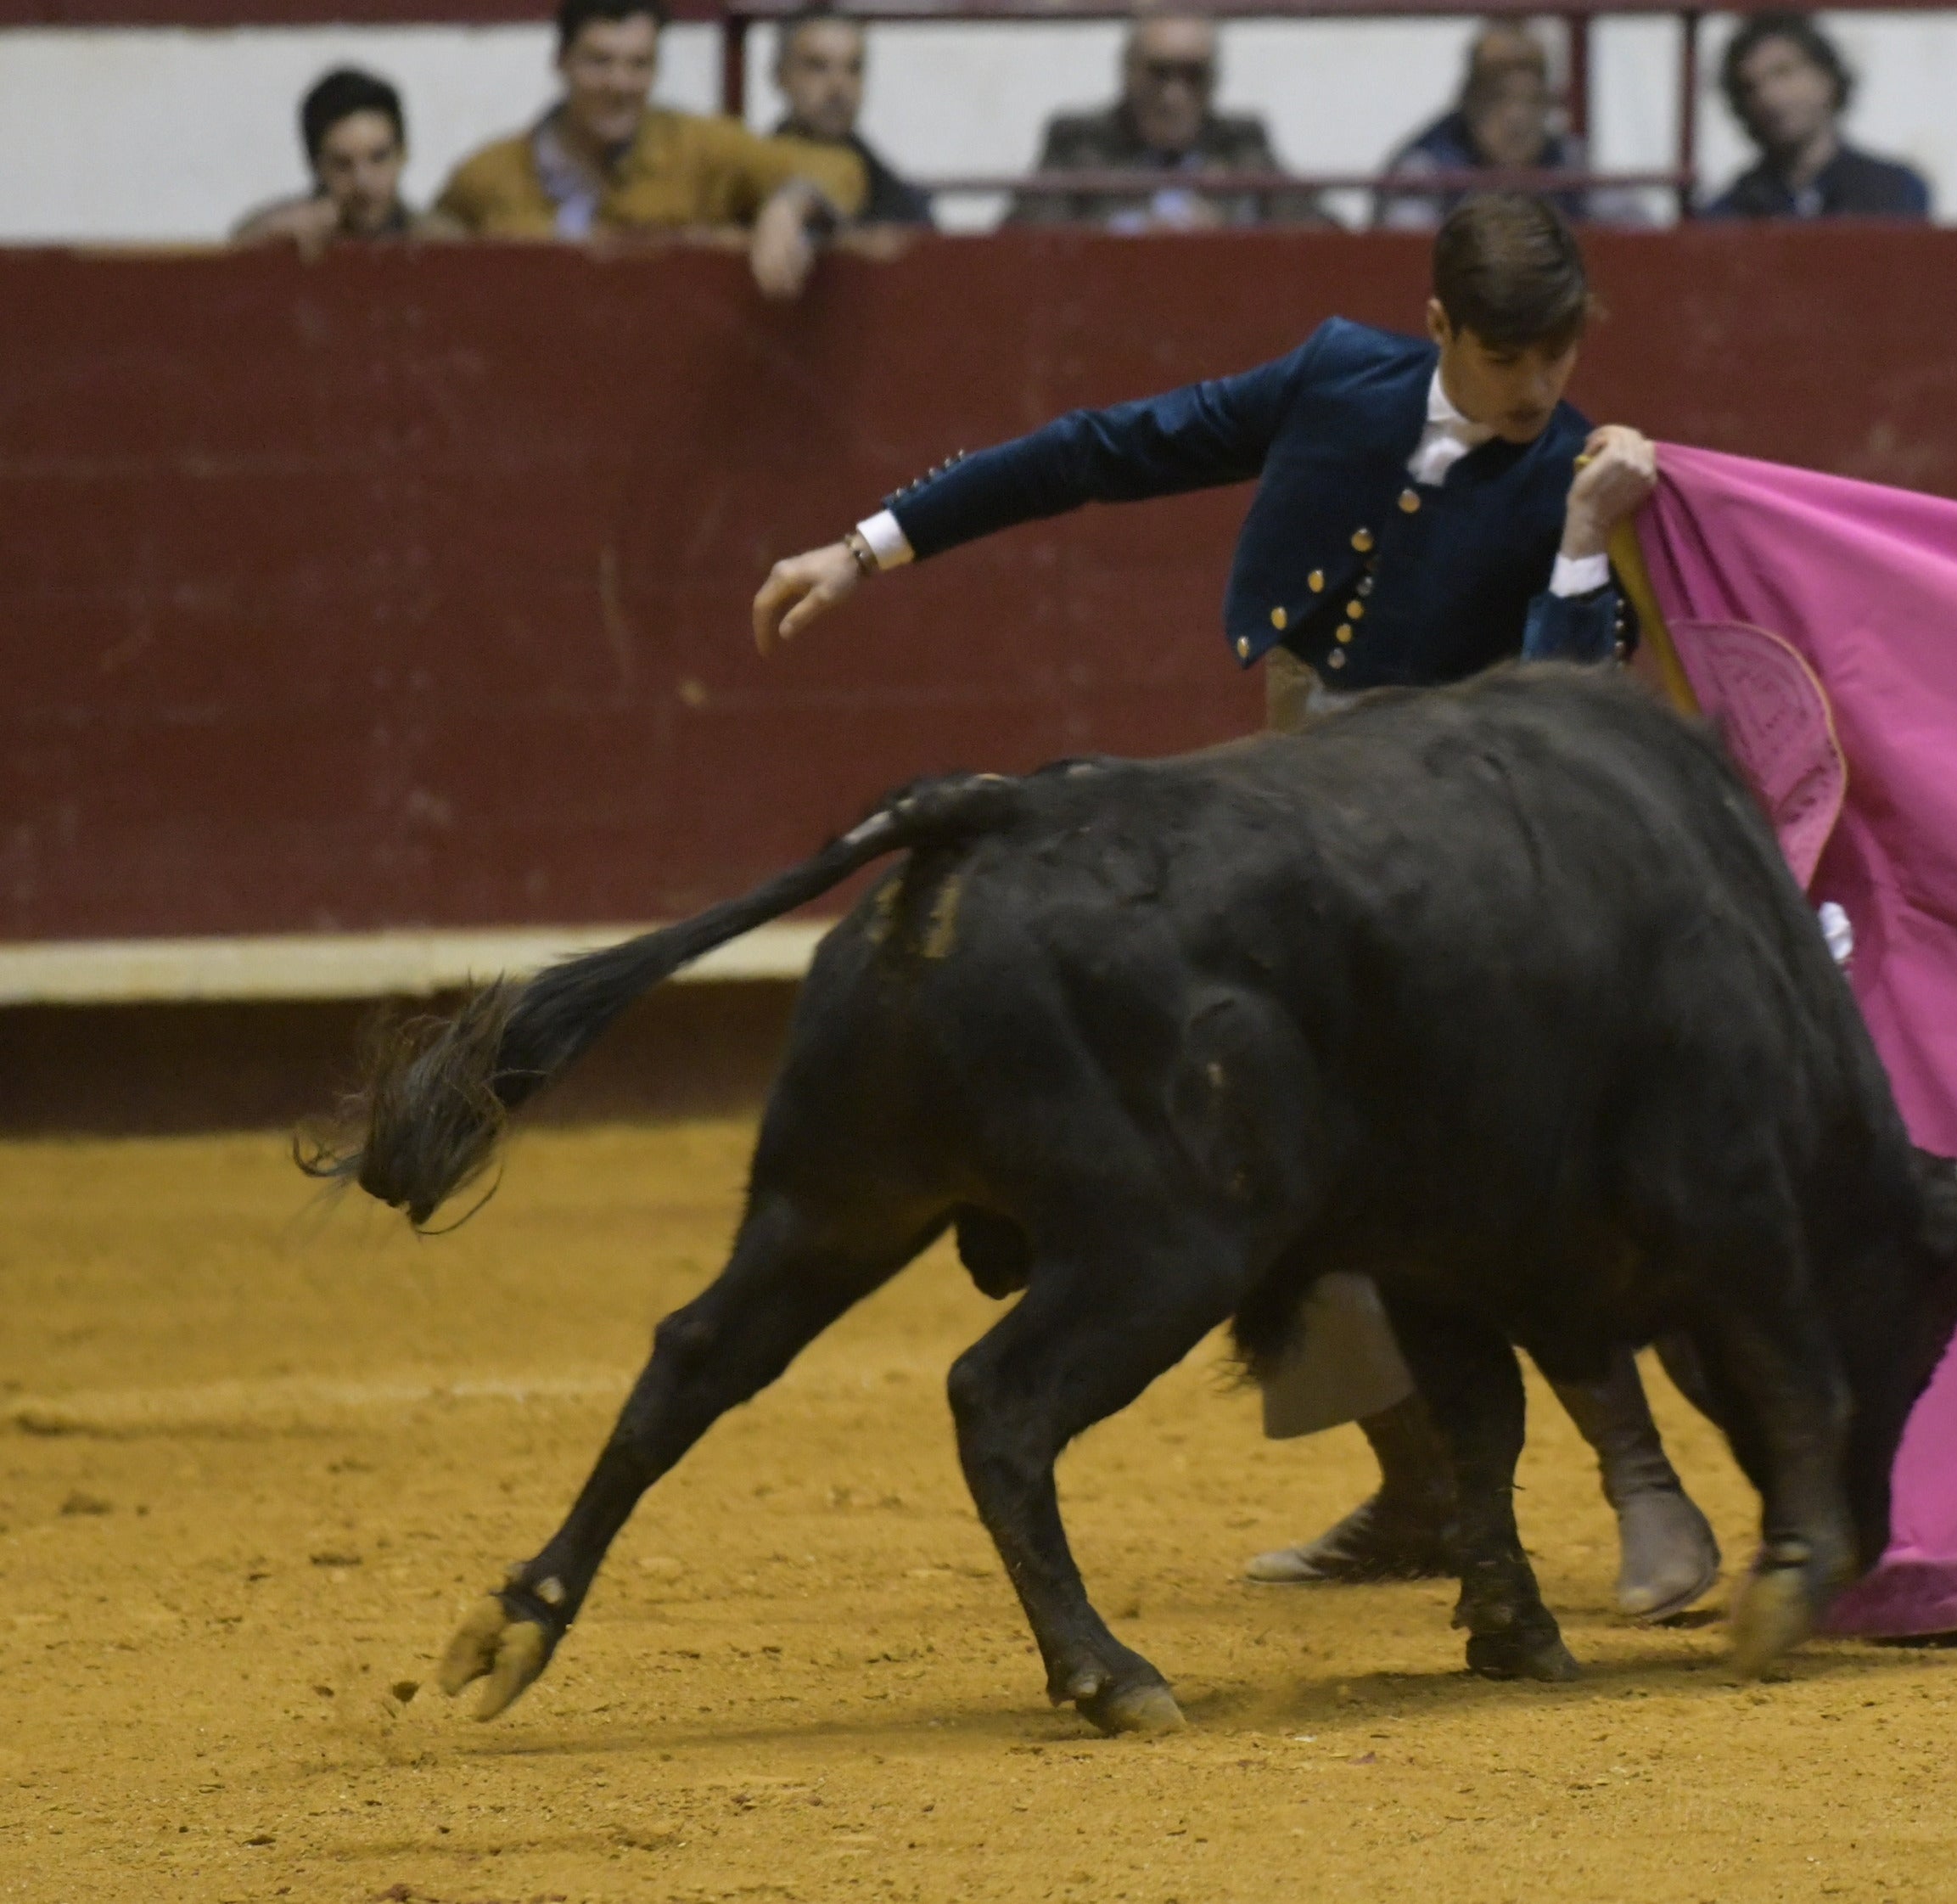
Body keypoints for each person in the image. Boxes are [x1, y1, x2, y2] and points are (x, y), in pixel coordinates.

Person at [748, 195, 1721, 1620]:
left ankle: (1645, 1479)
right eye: (1510, 359)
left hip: (1456, 864)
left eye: (1559, 356)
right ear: (1438, 325)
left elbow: (1559, 727)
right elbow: (1096, 450)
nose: (1540, 390)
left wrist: (1581, 536)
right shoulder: (1340, 376)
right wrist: (870, 543)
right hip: (1289, 817)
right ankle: (1426, 1490)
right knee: (1248, 1157)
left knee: (1480, 1167)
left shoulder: (1582, 479)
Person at [433, 0, 866, 300]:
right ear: (560, 61)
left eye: (639, 64)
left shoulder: (702, 148)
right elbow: (427, 248)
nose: (619, 85)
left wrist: (790, 205)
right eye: (600, 61)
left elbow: (837, 168)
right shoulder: (488, 175)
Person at [1006, 8, 1327, 233]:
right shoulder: (1080, 141)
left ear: (1214, 81)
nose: (1173, 95)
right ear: (1128, 73)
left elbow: (1322, 236)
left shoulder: (1242, 142)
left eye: (1193, 76)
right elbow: (1021, 241)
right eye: (1159, 74)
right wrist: (1132, 234)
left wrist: (1231, 234)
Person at [1703, 11, 1929, 222]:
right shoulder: (1731, 211)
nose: (1768, 96)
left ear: (1826, 77)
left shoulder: (1895, 190)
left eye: (1783, 72)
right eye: (1750, 87)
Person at [1376, 23, 1595, 231]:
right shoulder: (1426, 166)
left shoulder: (1569, 160)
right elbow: (1410, 253)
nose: (1517, 117)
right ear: (1468, 100)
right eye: (1497, 98)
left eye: (1532, 100)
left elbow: (1623, 226)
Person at [233, 67, 448, 252]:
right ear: (315, 165)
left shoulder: (440, 242)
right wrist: (267, 237)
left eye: (378, 158)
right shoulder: (282, 234)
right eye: (342, 165)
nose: (363, 182)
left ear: (403, 154)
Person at [770, 3, 934, 229]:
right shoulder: (743, 183)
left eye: (853, 68)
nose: (838, 86)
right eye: (817, 66)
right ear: (781, 75)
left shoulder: (899, 202)